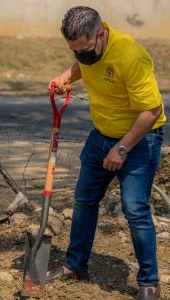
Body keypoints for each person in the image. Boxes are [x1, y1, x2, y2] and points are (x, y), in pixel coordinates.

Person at [47, 6, 166, 300]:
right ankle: (76, 266)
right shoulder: (88, 51)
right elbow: (85, 64)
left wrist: (122, 148)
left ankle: (149, 283)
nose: (82, 56)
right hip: (101, 135)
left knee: (135, 210)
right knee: (85, 199)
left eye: (86, 50)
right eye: (75, 52)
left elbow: (152, 111)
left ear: (101, 34)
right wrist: (66, 75)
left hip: (139, 141)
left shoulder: (130, 56)